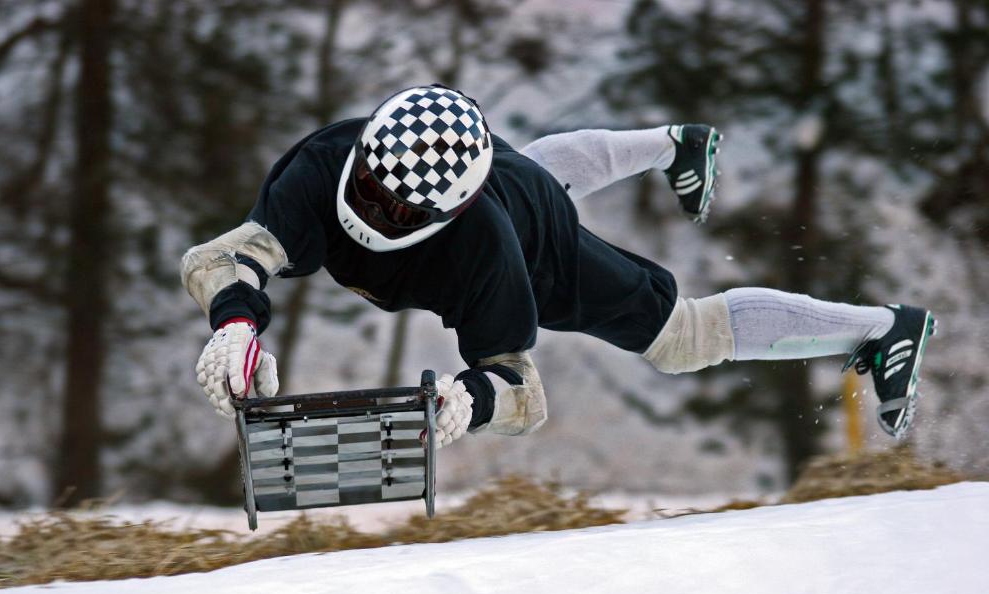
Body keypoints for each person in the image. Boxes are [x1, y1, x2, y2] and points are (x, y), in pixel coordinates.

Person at [183, 84, 936, 448]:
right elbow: (226, 257)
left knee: (682, 338)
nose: (376, 215)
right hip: (499, 176)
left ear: (445, 216)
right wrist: (235, 328)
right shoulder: (321, 165)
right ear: (364, 151)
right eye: (374, 191)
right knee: (528, 163)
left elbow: (522, 391)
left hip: (536, 235)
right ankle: (677, 141)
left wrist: (467, 402)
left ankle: (884, 327)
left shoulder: (489, 253)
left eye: (401, 213)